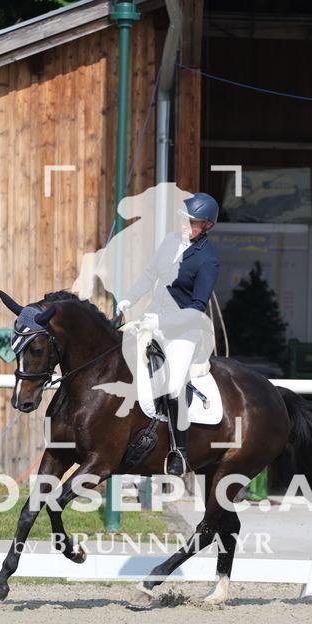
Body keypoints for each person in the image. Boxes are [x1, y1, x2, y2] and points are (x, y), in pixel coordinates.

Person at [116, 192, 220, 475]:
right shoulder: (170, 241)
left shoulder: (207, 260)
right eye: (184, 218)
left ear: (207, 226)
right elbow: (150, 274)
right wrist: (128, 299)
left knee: (173, 387)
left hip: (182, 332)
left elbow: (198, 306)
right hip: (151, 319)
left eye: (192, 221)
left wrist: (164, 325)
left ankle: (179, 452)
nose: (185, 224)